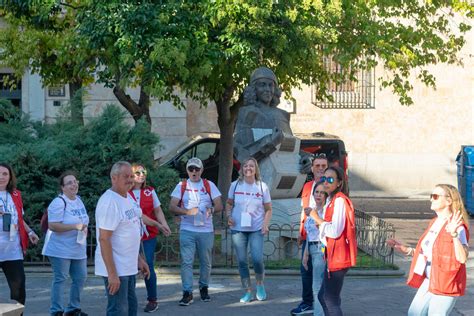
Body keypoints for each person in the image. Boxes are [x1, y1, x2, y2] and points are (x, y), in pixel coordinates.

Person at [387, 184, 470, 316]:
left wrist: (454, 234)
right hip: (429, 279)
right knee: (414, 313)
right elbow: (432, 252)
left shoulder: (458, 227)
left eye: (436, 196)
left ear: (449, 201)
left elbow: (462, 258)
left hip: (446, 281)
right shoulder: (434, 222)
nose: (431, 199)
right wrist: (407, 250)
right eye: (431, 196)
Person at [94, 161, 150, 316]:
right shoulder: (109, 202)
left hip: (129, 266)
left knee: (131, 308)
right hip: (117, 269)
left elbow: (129, 231)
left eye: (132, 176)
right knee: (118, 310)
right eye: (126, 176)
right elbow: (104, 239)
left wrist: (138, 259)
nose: (130, 180)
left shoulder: (127, 198)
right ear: (114, 178)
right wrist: (112, 274)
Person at [169, 157, 223, 306]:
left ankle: (203, 287)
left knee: (206, 262)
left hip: (205, 230)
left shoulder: (208, 185)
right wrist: (187, 212)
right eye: (191, 169)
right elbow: (172, 206)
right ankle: (187, 292)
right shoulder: (182, 185)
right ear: (187, 170)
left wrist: (211, 209)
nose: (194, 172)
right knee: (187, 262)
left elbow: (219, 205)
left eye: (197, 169)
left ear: (201, 170)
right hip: (187, 229)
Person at [309, 166, 357, 316]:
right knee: (324, 297)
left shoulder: (340, 201)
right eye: (324, 178)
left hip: (338, 256)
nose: (326, 182)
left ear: (339, 183)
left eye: (330, 179)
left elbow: (335, 231)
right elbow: (328, 232)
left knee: (330, 299)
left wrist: (317, 218)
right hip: (332, 255)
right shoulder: (331, 200)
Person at [42, 171, 89, 316]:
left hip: (78, 248)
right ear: (62, 187)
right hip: (60, 249)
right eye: (69, 183)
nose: (74, 185)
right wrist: (75, 227)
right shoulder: (59, 202)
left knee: (80, 277)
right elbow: (53, 226)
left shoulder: (78, 200)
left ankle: (73, 309)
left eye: (75, 181)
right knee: (60, 279)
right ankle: (56, 311)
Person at [226, 157, 272, 303]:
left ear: (256, 169)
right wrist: (228, 216)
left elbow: (268, 209)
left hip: (256, 228)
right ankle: (247, 291)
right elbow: (228, 204)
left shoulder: (262, 186)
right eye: (245, 166)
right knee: (241, 261)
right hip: (238, 229)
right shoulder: (235, 185)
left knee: (257, 259)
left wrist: (265, 224)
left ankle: (259, 284)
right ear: (242, 169)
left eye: (251, 166)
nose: (248, 168)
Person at [129, 163, 171, 313]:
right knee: (130, 266)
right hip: (131, 236)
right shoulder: (125, 193)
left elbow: (158, 211)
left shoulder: (149, 191)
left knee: (147, 264)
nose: (141, 174)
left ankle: (152, 299)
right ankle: (129, 298)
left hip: (148, 235)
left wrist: (164, 225)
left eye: (143, 172)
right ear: (131, 175)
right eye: (137, 172)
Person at [292, 154, 329, 316]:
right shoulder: (307, 186)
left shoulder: (331, 186)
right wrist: (301, 232)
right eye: (317, 166)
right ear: (312, 168)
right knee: (305, 270)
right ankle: (308, 303)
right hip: (309, 236)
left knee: (320, 274)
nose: (320, 168)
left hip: (324, 237)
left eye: (323, 166)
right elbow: (304, 210)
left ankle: (324, 304)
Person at [0, 162, 39, 306]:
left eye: (5, 174)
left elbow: (19, 219)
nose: (2, 177)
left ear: (10, 177)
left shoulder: (15, 194)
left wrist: (30, 232)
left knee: (19, 291)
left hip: (12, 250)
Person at [301, 181, 328, 316]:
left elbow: (325, 230)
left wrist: (316, 218)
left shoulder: (326, 211)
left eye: (322, 192)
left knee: (317, 286)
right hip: (311, 247)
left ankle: (319, 313)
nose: (319, 195)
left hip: (320, 248)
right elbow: (309, 234)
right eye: (316, 192)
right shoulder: (312, 210)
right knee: (315, 285)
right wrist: (305, 254)